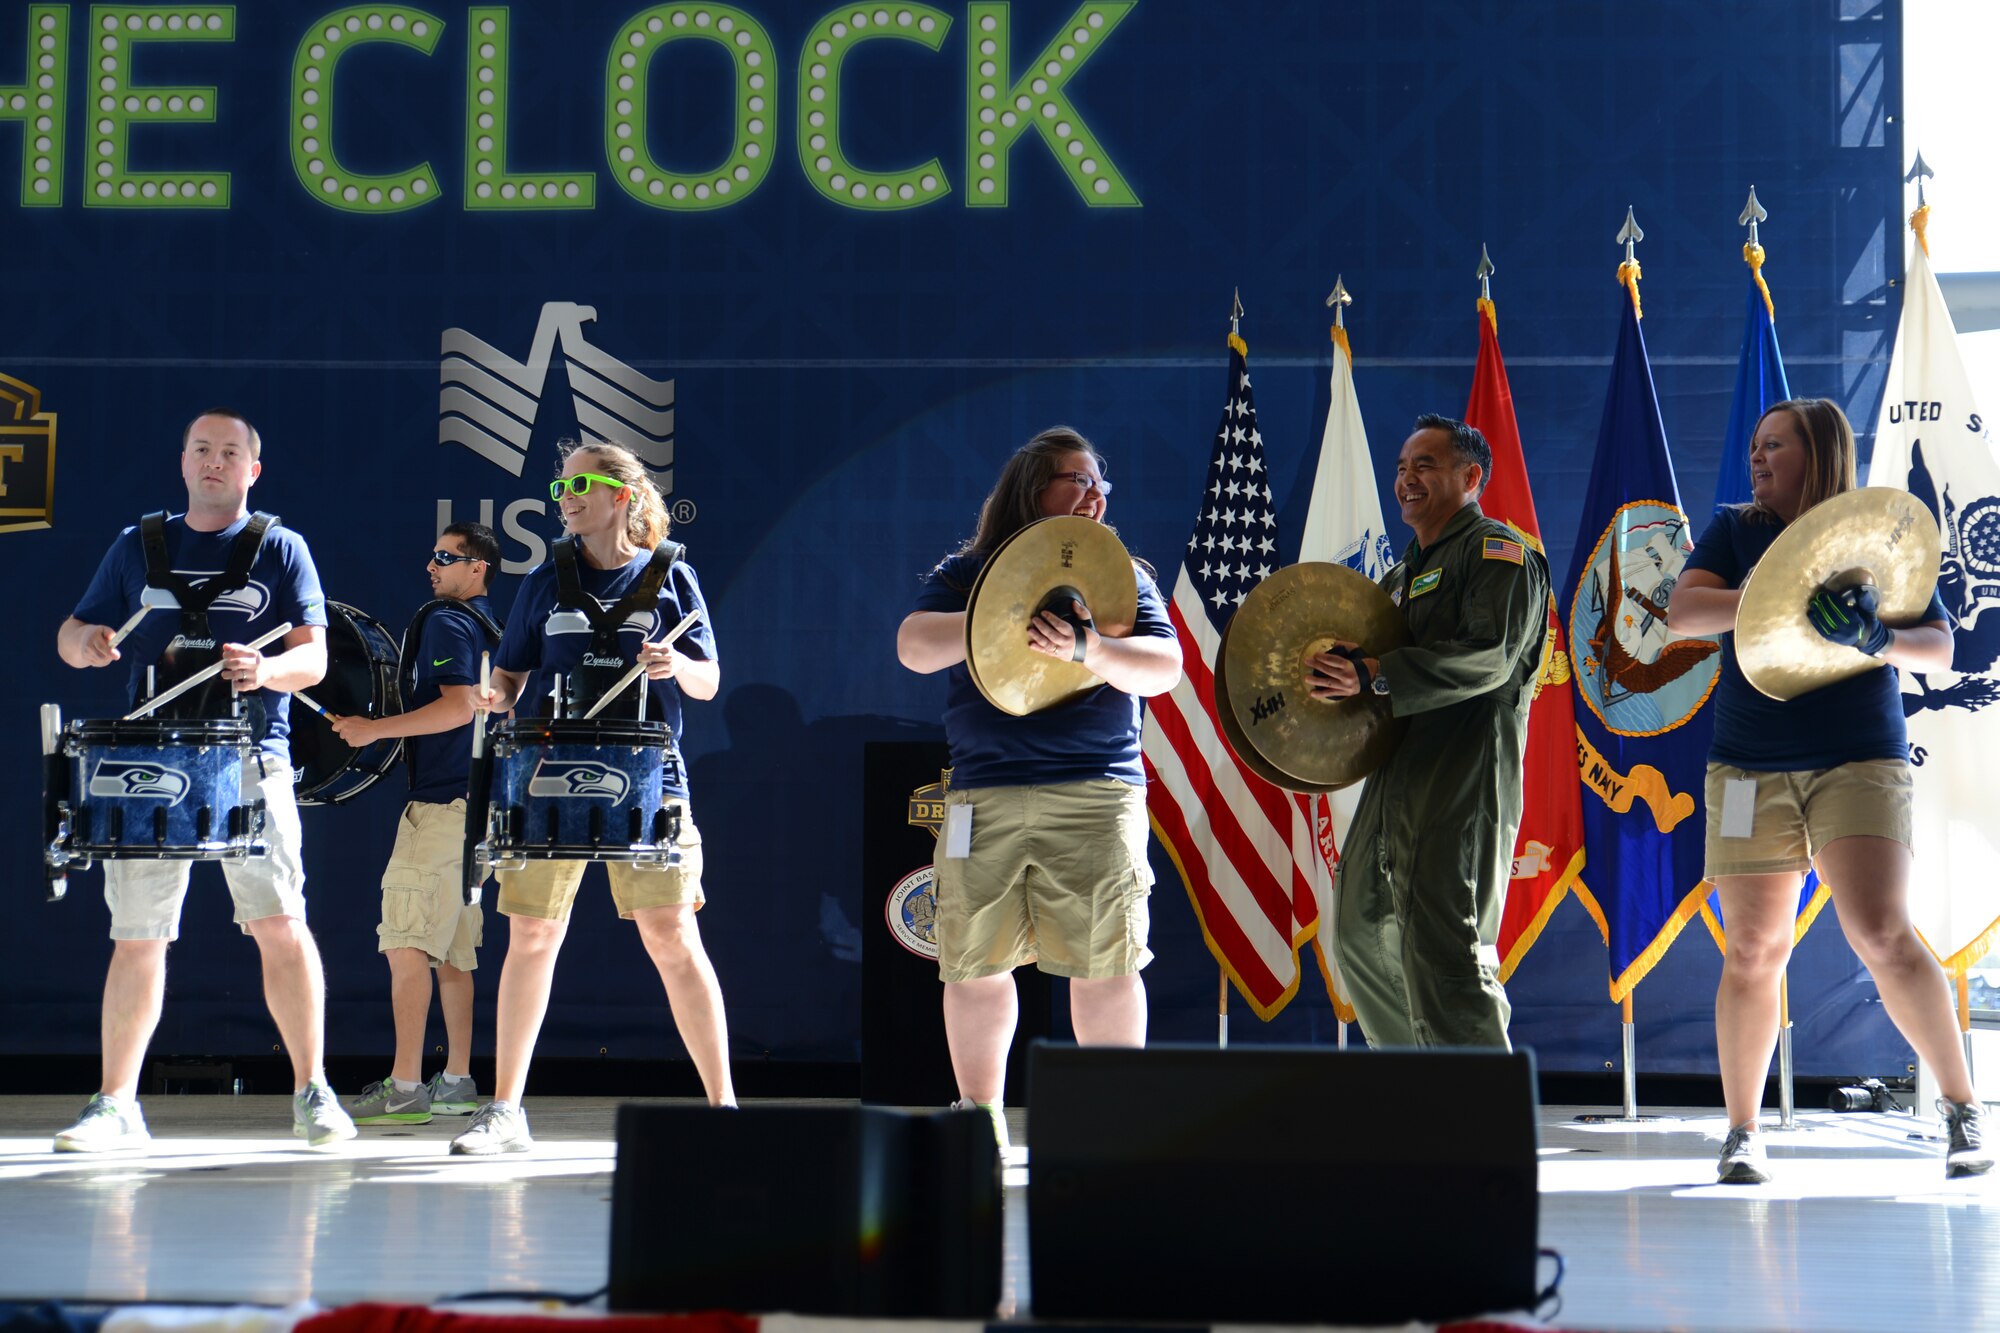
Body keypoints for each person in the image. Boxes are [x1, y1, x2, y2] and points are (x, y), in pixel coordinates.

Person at [1666, 397, 1990, 1183]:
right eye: (1754, 445)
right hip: (1747, 765)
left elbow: (1943, 647)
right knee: (1753, 949)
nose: (1757, 457)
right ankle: (1743, 1131)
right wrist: (1767, 597)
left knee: (1881, 932)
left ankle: (1962, 1109)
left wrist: (1876, 636)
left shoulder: (1874, 537)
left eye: (1773, 445)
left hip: (1857, 757)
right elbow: (1680, 615)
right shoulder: (1736, 530)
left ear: (1819, 451)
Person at [53, 407, 356, 1151]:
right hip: (152, 764)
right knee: (139, 935)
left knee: (280, 923)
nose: (214, 461)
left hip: (254, 760)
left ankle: (313, 1089)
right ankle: (115, 1102)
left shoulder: (281, 548)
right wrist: (85, 643)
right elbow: (69, 634)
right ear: (183, 462)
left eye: (230, 452)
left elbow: (314, 659)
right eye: (201, 449)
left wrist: (268, 669)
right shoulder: (138, 544)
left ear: (253, 469)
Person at [896, 426, 1182, 1149]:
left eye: (1100, 485)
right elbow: (912, 645)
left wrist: (1089, 646)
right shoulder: (969, 571)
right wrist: (999, 619)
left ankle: (1114, 1123)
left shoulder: (1123, 575)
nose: (1094, 496)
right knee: (973, 961)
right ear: (1033, 487)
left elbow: (1165, 667)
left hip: (1094, 790)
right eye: (1077, 480)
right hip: (983, 794)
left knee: (1104, 961)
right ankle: (979, 1118)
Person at [449, 441, 733, 1155]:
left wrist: (678, 663)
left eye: (582, 483)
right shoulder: (547, 578)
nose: (567, 494)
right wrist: (494, 693)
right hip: (549, 770)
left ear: (623, 495)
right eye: (561, 484)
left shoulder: (674, 576)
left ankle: (726, 1106)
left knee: (671, 936)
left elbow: (708, 683)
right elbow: (511, 676)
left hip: (649, 777)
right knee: (533, 936)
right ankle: (507, 1109)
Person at [1307, 414, 1549, 1049]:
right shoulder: (1399, 575)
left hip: (1464, 768)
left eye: (1426, 466)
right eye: (1402, 467)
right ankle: (1420, 1099)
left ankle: (1480, 1121)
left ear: (1471, 477)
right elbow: (1370, 668)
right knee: (1359, 932)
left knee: (1450, 945)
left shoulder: (1500, 553)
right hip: (1395, 768)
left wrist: (1377, 674)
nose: (1407, 479)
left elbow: (1488, 656)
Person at [330, 522, 503, 1125]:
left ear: (477, 567)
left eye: (445, 557)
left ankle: (404, 1087)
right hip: (477, 816)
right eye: (431, 556)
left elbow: (458, 707)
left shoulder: (446, 620)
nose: (431, 567)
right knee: (454, 956)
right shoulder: (492, 629)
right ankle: (456, 1080)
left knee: (406, 945)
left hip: (441, 812)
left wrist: (372, 729)